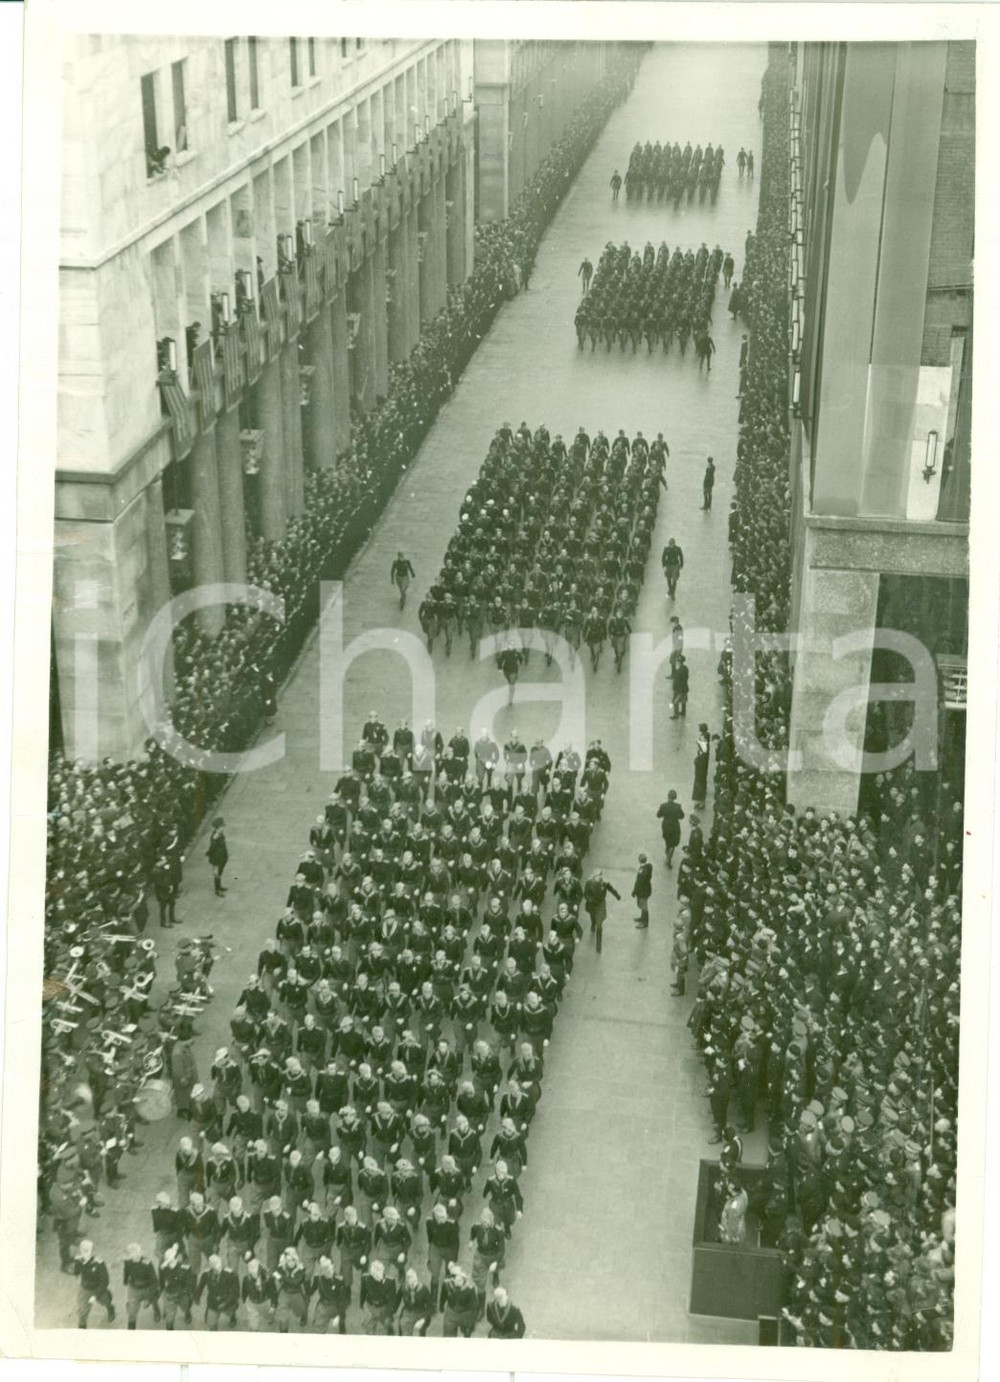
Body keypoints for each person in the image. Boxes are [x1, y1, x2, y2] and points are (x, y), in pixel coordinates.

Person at [73, 1239, 116, 1328]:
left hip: (98, 1288)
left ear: (92, 1251)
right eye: (83, 1251)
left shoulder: (99, 1263)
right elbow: (76, 1270)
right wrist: (76, 1273)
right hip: (85, 1289)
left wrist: (96, 1295)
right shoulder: (78, 1260)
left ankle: (110, 1309)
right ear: (80, 1250)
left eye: (87, 1251)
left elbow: (105, 1281)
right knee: (83, 1313)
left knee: (106, 1301)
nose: (85, 1254)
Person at [123, 1242, 162, 1328]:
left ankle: (156, 1311)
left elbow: (154, 1281)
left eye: (137, 1254)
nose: (134, 1257)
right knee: (132, 1312)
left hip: (147, 1287)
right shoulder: (127, 1262)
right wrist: (125, 1280)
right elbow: (126, 1271)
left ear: (139, 1253)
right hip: (134, 1289)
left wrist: (149, 1298)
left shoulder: (147, 1264)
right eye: (131, 1255)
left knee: (154, 1299)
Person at [583, 869, 621, 955]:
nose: (598, 878)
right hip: (592, 904)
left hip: (600, 904)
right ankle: (593, 923)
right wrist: (589, 899)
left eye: (600, 876)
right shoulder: (589, 882)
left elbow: (611, 889)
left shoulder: (605, 883)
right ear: (593, 876)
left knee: (599, 924)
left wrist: (617, 895)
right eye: (596, 876)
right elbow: (585, 894)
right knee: (592, 916)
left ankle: (598, 945)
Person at [656, 790, 685, 867]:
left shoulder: (663, 805)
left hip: (666, 826)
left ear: (668, 796)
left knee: (667, 840)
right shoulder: (678, 806)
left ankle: (667, 851)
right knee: (673, 842)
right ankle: (669, 856)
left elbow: (658, 815)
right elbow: (682, 816)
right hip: (675, 826)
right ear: (675, 797)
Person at [207, 816, 229, 896]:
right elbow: (212, 848)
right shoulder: (215, 837)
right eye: (222, 827)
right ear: (217, 827)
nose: (223, 828)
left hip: (222, 856)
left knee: (220, 872)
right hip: (216, 858)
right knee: (216, 873)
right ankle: (217, 890)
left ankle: (219, 887)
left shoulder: (220, 833)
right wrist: (209, 854)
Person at [631, 853, 653, 929]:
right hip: (647, 889)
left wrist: (634, 891)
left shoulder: (642, 871)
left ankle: (645, 922)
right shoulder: (648, 867)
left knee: (644, 906)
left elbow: (639, 883)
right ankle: (642, 918)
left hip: (643, 891)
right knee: (643, 905)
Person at [692, 725, 711, 807]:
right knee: (700, 783)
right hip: (701, 769)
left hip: (700, 769)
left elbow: (701, 757)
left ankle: (701, 801)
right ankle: (700, 800)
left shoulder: (704, 749)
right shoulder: (704, 746)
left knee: (700, 783)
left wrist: (696, 761)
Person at [669, 655, 689, 719]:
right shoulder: (686, 668)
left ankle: (676, 715)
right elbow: (686, 677)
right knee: (684, 700)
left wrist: (674, 687)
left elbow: (677, 680)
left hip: (679, 689)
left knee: (675, 701)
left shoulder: (678, 670)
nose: (676, 663)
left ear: (679, 662)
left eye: (677, 661)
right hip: (685, 687)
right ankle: (683, 712)